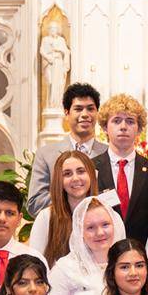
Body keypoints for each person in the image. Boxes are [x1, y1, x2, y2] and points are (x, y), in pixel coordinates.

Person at [92, 93, 148, 244]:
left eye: (130, 121)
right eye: (116, 121)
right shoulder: (90, 169)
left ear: (139, 129)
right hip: (100, 251)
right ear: (104, 128)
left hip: (142, 253)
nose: (123, 127)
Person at [26, 82, 108, 214]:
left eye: (90, 109)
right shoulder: (46, 154)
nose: (85, 114)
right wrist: (74, 196)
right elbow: (35, 203)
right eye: (78, 109)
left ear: (97, 113)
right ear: (67, 113)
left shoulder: (108, 153)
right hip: (60, 230)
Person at [46, 197, 125, 295]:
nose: (99, 233)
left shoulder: (128, 266)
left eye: (105, 225)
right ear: (80, 231)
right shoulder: (65, 269)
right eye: (90, 228)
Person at [27, 150, 100, 267]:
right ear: (59, 180)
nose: (75, 178)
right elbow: (34, 265)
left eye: (81, 171)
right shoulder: (46, 217)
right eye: (67, 174)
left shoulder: (108, 216)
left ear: (91, 175)